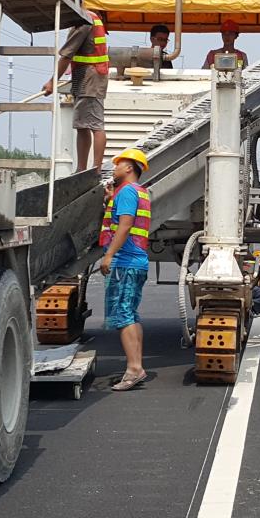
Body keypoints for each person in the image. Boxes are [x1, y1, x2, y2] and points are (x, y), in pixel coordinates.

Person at [100, 148, 153, 391]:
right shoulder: (136, 192)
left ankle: (134, 369)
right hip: (135, 261)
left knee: (123, 314)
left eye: (118, 164)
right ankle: (136, 365)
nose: (114, 168)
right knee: (130, 313)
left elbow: (124, 226)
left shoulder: (128, 193)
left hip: (125, 262)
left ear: (129, 168)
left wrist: (109, 255)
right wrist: (112, 197)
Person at [43, 0, 109, 176]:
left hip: (91, 77)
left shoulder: (83, 21)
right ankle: (81, 168)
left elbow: (66, 56)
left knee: (95, 124)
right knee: (82, 125)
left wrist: (52, 82)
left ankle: (95, 169)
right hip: (86, 77)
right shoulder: (90, 18)